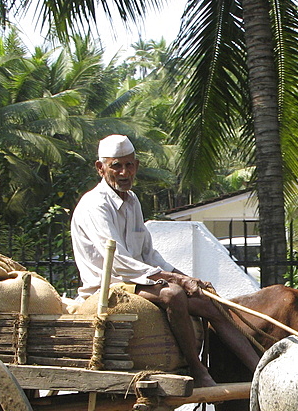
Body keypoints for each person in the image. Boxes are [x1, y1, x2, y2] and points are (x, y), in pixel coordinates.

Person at [71, 134, 261, 387]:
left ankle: (259, 370)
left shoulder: (132, 201)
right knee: (172, 294)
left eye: (129, 165)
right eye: (116, 165)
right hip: (107, 285)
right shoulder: (95, 204)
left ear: (136, 166)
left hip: (136, 280)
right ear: (100, 168)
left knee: (210, 304)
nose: (124, 172)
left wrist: (189, 278)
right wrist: (177, 280)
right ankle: (196, 369)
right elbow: (118, 262)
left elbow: (149, 254)